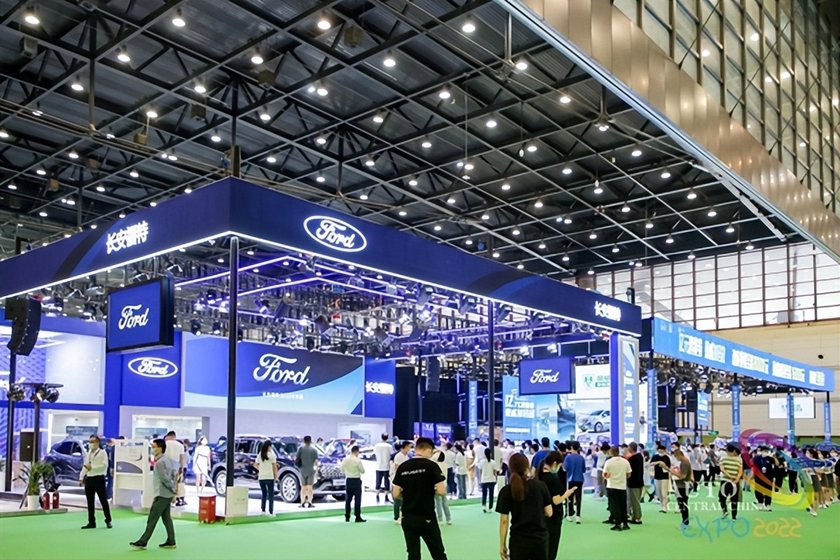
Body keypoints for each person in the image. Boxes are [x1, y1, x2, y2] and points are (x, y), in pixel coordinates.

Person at [392, 437, 448, 560]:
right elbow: (441, 491)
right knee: (438, 553)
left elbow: (395, 494)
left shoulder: (403, 467)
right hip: (426, 516)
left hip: (407, 517)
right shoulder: (432, 466)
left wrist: (409, 495)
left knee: (413, 554)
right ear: (428, 450)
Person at [496, 453, 553, 560]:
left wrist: (502, 544)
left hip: (518, 541)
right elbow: (549, 512)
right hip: (540, 539)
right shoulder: (541, 486)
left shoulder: (506, 491)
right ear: (527, 467)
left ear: (510, 468)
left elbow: (504, 521)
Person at [130, 439, 177, 550]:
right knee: (166, 518)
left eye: (154, 446)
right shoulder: (167, 460)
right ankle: (171, 541)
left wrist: (172, 488)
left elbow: (164, 478)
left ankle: (143, 541)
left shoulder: (160, 462)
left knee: (153, 517)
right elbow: (173, 474)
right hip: (166, 494)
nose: (152, 449)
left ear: (160, 448)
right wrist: (173, 489)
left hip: (162, 494)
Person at [539, 451, 578, 560]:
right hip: (553, 517)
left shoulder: (539, 475)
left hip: (540, 515)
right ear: (555, 463)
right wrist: (567, 494)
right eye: (560, 466)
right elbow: (556, 500)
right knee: (552, 546)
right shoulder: (553, 479)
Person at [80, 434, 112, 530]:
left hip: (99, 479)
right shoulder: (88, 453)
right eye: (90, 442)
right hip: (89, 479)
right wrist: (81, 477)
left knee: (103, 500)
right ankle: (91, 522)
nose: (91, 443)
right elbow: (85, 466)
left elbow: (104, 466)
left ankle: (108, 520)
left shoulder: (102, 453)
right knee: (90, 502)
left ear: (97, 442)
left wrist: (92, 468)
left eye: (93, 441)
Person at [602, 445, 631, 531]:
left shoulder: (608, 462)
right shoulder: (625, 461)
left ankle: (618, 524)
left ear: (611, 452)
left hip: (612, 486)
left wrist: (608, 476)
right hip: (622, 486)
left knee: (614, 506)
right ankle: (625, 523)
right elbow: (629, 474)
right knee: (623, 505)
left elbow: (605, 474)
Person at [341, 445, 366, 522]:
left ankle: (347, 516)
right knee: (357, 499)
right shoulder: (358, 460)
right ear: (357, 452)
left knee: (348, 499)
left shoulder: (345, 460)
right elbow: (363, 471)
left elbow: (342, 469)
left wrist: (347, 472)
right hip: (356, 480)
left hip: (348, 480)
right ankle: (357, 516)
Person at [719, 444, 743, 520]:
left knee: (722, 497)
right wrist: (736, 480)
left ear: (727, 450)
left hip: (725, 481)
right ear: (734, 450)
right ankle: (734, 517)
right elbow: (740, 471)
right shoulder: (739, 459)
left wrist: (729, 476)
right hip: (735, 482)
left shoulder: (723, 458)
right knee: (734, 499)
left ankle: (725, 511)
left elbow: (722, 469)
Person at [562, 441, 585, 523]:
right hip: (580, 479)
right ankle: (578, 516)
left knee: (570, 497)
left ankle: (570, 515)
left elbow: (565, 469)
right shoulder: (581, 458)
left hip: (571, 479)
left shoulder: (568, 458)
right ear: (578, 448)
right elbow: (583, 470)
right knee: (579, 498)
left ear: (571, 447)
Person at [255, 440, 278, 516]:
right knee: (271, 495)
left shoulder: (260, 454)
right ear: (269, 446)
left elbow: (255, 464)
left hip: (261, 477)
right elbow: (274, 467)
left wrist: (261, 469)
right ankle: (271, 511)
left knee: (264, 494)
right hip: (270, 477)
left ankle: (263, 510)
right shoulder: (272, 455)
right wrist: (276, 476)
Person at [164, 431, 187, 507]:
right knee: (174, 484)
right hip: (176, 467)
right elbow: (182, 458)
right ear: (174, 436)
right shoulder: (180, 445)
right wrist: (182, 468)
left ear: (169, 436)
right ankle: (173, 501)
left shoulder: (164, 444)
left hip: (165, 467)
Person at [392, 440, 413, 523]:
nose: (410, 449)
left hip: (406, 480)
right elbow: (397, 468)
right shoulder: (398, 456)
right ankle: (396, 517)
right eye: (409, 447)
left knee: (404, 499)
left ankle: (403, 515)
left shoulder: (407, 456)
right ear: (405, 447)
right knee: (397, 499)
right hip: (399, 480)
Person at [295, 435, 319, 508]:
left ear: (304, 441)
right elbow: (316, 462)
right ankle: (310, 502)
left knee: (303, 487)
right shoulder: (314, 450)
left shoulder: (300, 449)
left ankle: (302, 502)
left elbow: (297, 459)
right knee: (310, 487)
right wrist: (316, 471)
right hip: (311, 470)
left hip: (302, 470)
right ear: (310, 441)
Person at [672, 447, 693, 528]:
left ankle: (685, 522)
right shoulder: (685, 462)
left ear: (679, 455)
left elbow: (683, 476)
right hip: (683, 485)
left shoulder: (684, 463)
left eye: (676, 456)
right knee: (682, 504)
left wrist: (672, 472)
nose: (676, 458)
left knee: (683, 504)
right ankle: (685, 521)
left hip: (683, 486)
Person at [624, 442, 644, 524]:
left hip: (633, 483)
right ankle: (634, 516)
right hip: (639, 481)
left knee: (635, 501)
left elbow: (629, 472)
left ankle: (637, 518)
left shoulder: (632, 459)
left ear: (630, 448)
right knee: (635, 500)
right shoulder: (640, 457)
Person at [650, 444, 672, 513]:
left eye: (662, 450)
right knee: (658, 493)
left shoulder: (667, 457)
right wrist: (658, 462)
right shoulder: (655, 456)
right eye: (659, 449)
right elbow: (651, 464)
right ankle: (662, 505)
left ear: (664, 450)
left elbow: (669, 468)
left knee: (664, 492)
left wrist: (664, 465)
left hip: (665, 477)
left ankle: (664, 507)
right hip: (657, 476)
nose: (660, 451)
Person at [433, 449, 452, 525]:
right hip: (444, 485)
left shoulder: (436, 465)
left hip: (437, 486)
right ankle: (448, 518)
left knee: (438, 503)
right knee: (445, 502)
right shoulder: (445, 464)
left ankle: (440, 519)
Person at [374, 433, 393, 504]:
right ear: (387, 438)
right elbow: (391, 455)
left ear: (381, 437)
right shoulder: (389, 446)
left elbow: (375, 454)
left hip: (378, 466)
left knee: (378, 481)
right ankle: (386, 496)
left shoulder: (377, 446)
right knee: (386, 482)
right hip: (387, 467)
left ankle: (377, 496)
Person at [481, 448, 499, 513]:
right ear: (490, 454)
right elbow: (494, 472)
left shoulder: (482, 462)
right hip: (492, 479)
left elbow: (481, 470)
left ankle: (484, 506)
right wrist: (496, 478)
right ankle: (490, 507)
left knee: (484, 494)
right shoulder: (493, 462)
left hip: (484, 480)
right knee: (491, 494)